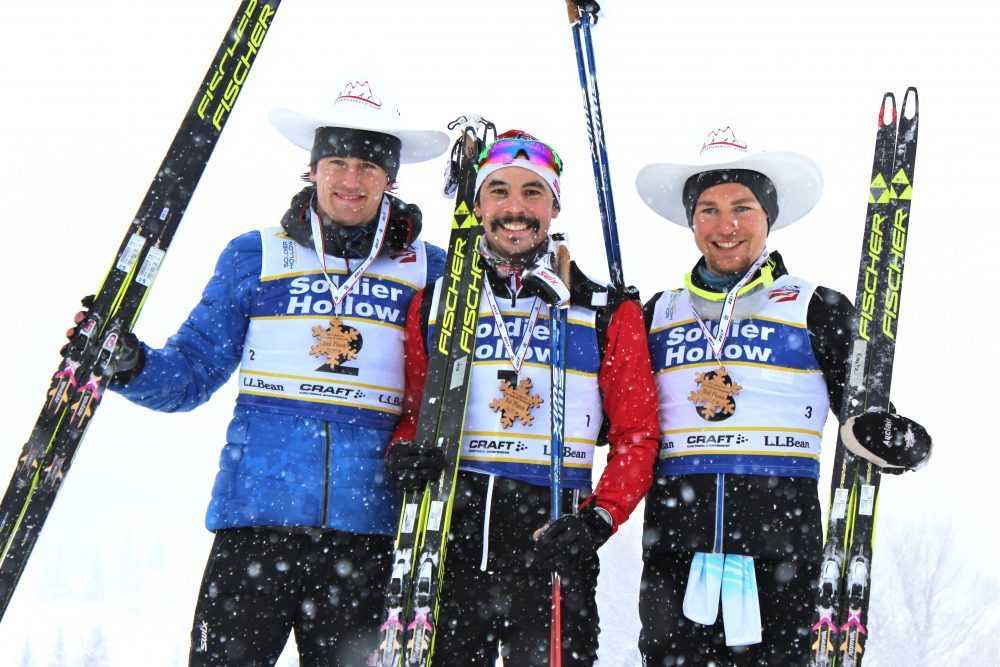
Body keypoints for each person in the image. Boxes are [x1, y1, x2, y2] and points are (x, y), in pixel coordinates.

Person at [92, 78, 449, 665]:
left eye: (367, 166)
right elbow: (190, 375)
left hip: (369, 533)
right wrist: (131, 367)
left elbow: (451, 395)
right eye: (336, 162)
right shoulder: (255, 254)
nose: (351, 181)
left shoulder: (431, 271)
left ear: (391, 179)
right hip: (255, 524)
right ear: (312, 170)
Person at [634, 125, 932, 666]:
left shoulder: (815, 306)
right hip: (674, 559)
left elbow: (873, 420)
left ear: (768, 217)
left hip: (782, 560)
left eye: (743, 207)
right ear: (691, 222)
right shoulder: (655, 313)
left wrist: (900, 441)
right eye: (708, 209)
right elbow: (615, 420)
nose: (726, 225)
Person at [384, 130, 660, 666]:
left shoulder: (606, 311)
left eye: (533, 192)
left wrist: (600, 518)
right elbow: (416, 412)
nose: (516, 208)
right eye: (500, 191)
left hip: (557, 543)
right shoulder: (438, 303)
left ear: (556, 203)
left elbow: (637, 435)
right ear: (478, 204)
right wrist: (403, 451)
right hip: (454, 540)